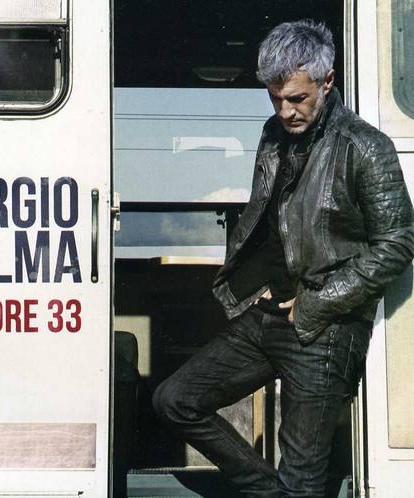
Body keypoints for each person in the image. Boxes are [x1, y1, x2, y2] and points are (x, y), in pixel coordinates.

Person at [152, 19, 414, 497]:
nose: (286, 110)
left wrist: (318, 301)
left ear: (327, 81)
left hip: (325, 326)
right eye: (275, 99)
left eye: (296, 98)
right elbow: (274, 221)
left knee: (303, 481)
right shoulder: (273, 135)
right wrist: (255, 284)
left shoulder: (365, 147)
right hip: (268, 314)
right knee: (174, 400)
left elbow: (397, 242)